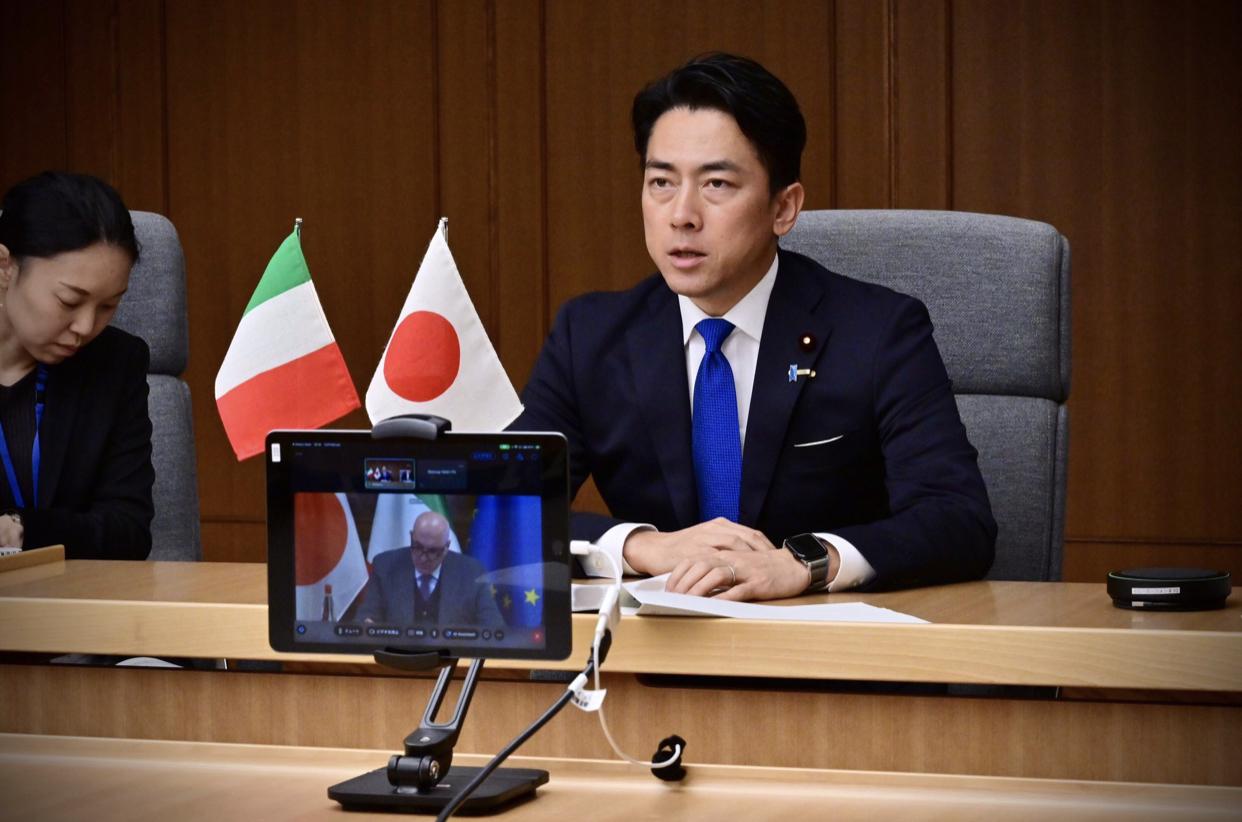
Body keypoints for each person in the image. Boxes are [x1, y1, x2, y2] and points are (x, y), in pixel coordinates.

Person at [512, 53, 996, 601]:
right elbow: (500, 504)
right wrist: (641, 546)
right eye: (661, 182)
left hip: (824, 641)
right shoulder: (591, 336)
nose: (681, 215)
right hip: (659, 644)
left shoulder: (879, 332)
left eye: (716, 183)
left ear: (784, 208)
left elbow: (959, 519)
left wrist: (806, 562)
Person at [0, 171, 153, 559]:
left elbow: (128, 531)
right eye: (69, 301)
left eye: (108, 306)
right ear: (5, 267)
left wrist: (21, 530)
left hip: (77, 591)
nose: (86, 327)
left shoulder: (116, 364)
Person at [357, 511, 503, 626]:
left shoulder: (471, 571)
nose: (423, 558)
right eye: (418, 547)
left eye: (433, 551)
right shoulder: (385, 565)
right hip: (398, 653)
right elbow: (365, 616)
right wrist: (367, 625)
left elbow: (493, 627)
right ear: (411, 537)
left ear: (446, 547)